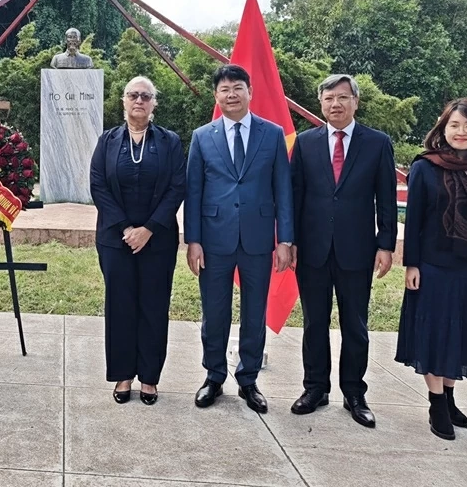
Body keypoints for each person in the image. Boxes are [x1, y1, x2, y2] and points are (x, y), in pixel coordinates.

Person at [396, 98, 467, 441]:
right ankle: (436, 403)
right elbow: (413, 220)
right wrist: (411, 264)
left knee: (460, 334)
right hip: (433, 266)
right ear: (443, 129)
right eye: (455, 125)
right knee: (434, 333)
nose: (462, 132)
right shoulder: (425, 167)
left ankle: (449, 397)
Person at [289, 74, 397, 428]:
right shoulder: (305, 144)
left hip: (357, 249)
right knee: (314, 323)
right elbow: (294, 197)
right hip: (313, 249)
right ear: (320, 103)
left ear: (355, 101)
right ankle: (315, 388)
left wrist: (385, 245)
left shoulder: (377, 143)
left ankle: (354, 392)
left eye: (342, 97)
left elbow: (386, 199)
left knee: (355, 324)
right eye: (328, 98)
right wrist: (288, 242)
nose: (335, 104)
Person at [184, 64, 294, 414]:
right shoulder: (202, 136)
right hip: (214, 239)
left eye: (237, 88)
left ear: (250, 92)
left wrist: (285, 240)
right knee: (214, 312)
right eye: (224, 89)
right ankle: (213, 376)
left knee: (253, 311)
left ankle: (248, 379)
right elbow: (194, 192)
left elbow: (283, 190)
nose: (231, 95)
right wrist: (193, 240)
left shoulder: (272, 134)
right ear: (216, 96)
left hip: (259, 239)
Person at [90, 76, 186, 406]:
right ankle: (122, 375)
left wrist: (148, 229)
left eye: (146, 96)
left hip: (157, 241)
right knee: (120, 306)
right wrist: (125, 228)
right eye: (133, 95)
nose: (139, 101)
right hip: (115, 241)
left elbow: (177, 187)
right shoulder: (107, 141)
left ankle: (149, 378)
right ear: (123, 101)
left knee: (153, 307)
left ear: (154, 103)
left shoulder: (170, 142)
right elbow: (98, 185)